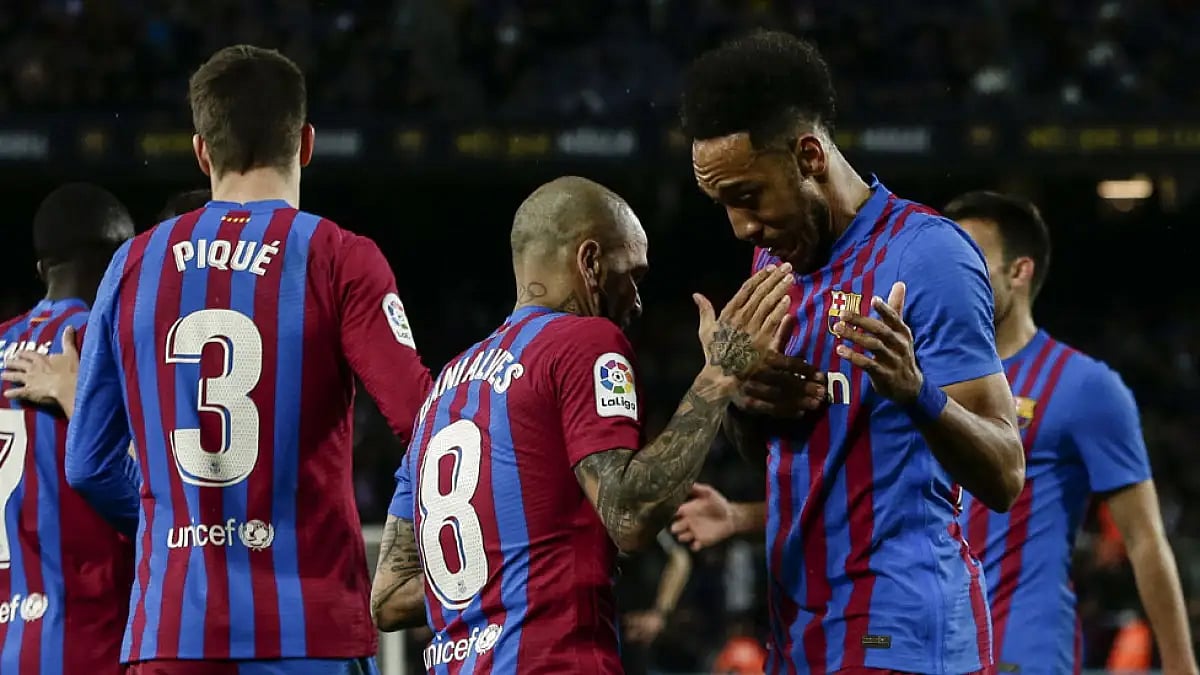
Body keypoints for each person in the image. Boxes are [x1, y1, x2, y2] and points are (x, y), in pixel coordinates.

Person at [64, 45, 433, 674]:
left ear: (202, 150)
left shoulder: (131, 266)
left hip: (171, 635)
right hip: (307, 632)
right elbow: (423, 419)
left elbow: (88, 464)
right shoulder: (337, 256)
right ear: (307, 143)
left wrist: (179, 520)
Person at [677, 31, 1026, 674]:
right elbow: (782, 456)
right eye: (722, 204)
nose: (741, 227)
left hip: (902, 629)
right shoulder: (773, 261)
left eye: (749, 197)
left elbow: (1005, 474)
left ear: (809, 155)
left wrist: (914, 391)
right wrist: (742, 397)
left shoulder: (930, 257)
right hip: (802, 630)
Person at [370, 176, 794, 673]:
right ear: (590, 262)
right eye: (631, 275)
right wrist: (720, 374)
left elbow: (391, 595)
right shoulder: (582, 340)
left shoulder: (442, 392)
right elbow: (629, 518)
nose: (636, 301)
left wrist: (514, 563)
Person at [942, 191, 1196, 675]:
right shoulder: (922, 377)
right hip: (928, 644)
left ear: (1020, 272)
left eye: (972, 262)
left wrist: (1182, 665)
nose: (954, 278)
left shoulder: (1085, 386)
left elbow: (1144, 539)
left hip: (1023, 648)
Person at [0, 183, 135, 672]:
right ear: (122, 267)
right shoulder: (115, 344)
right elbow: (161, 485)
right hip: (93, 640)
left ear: (42, 270)